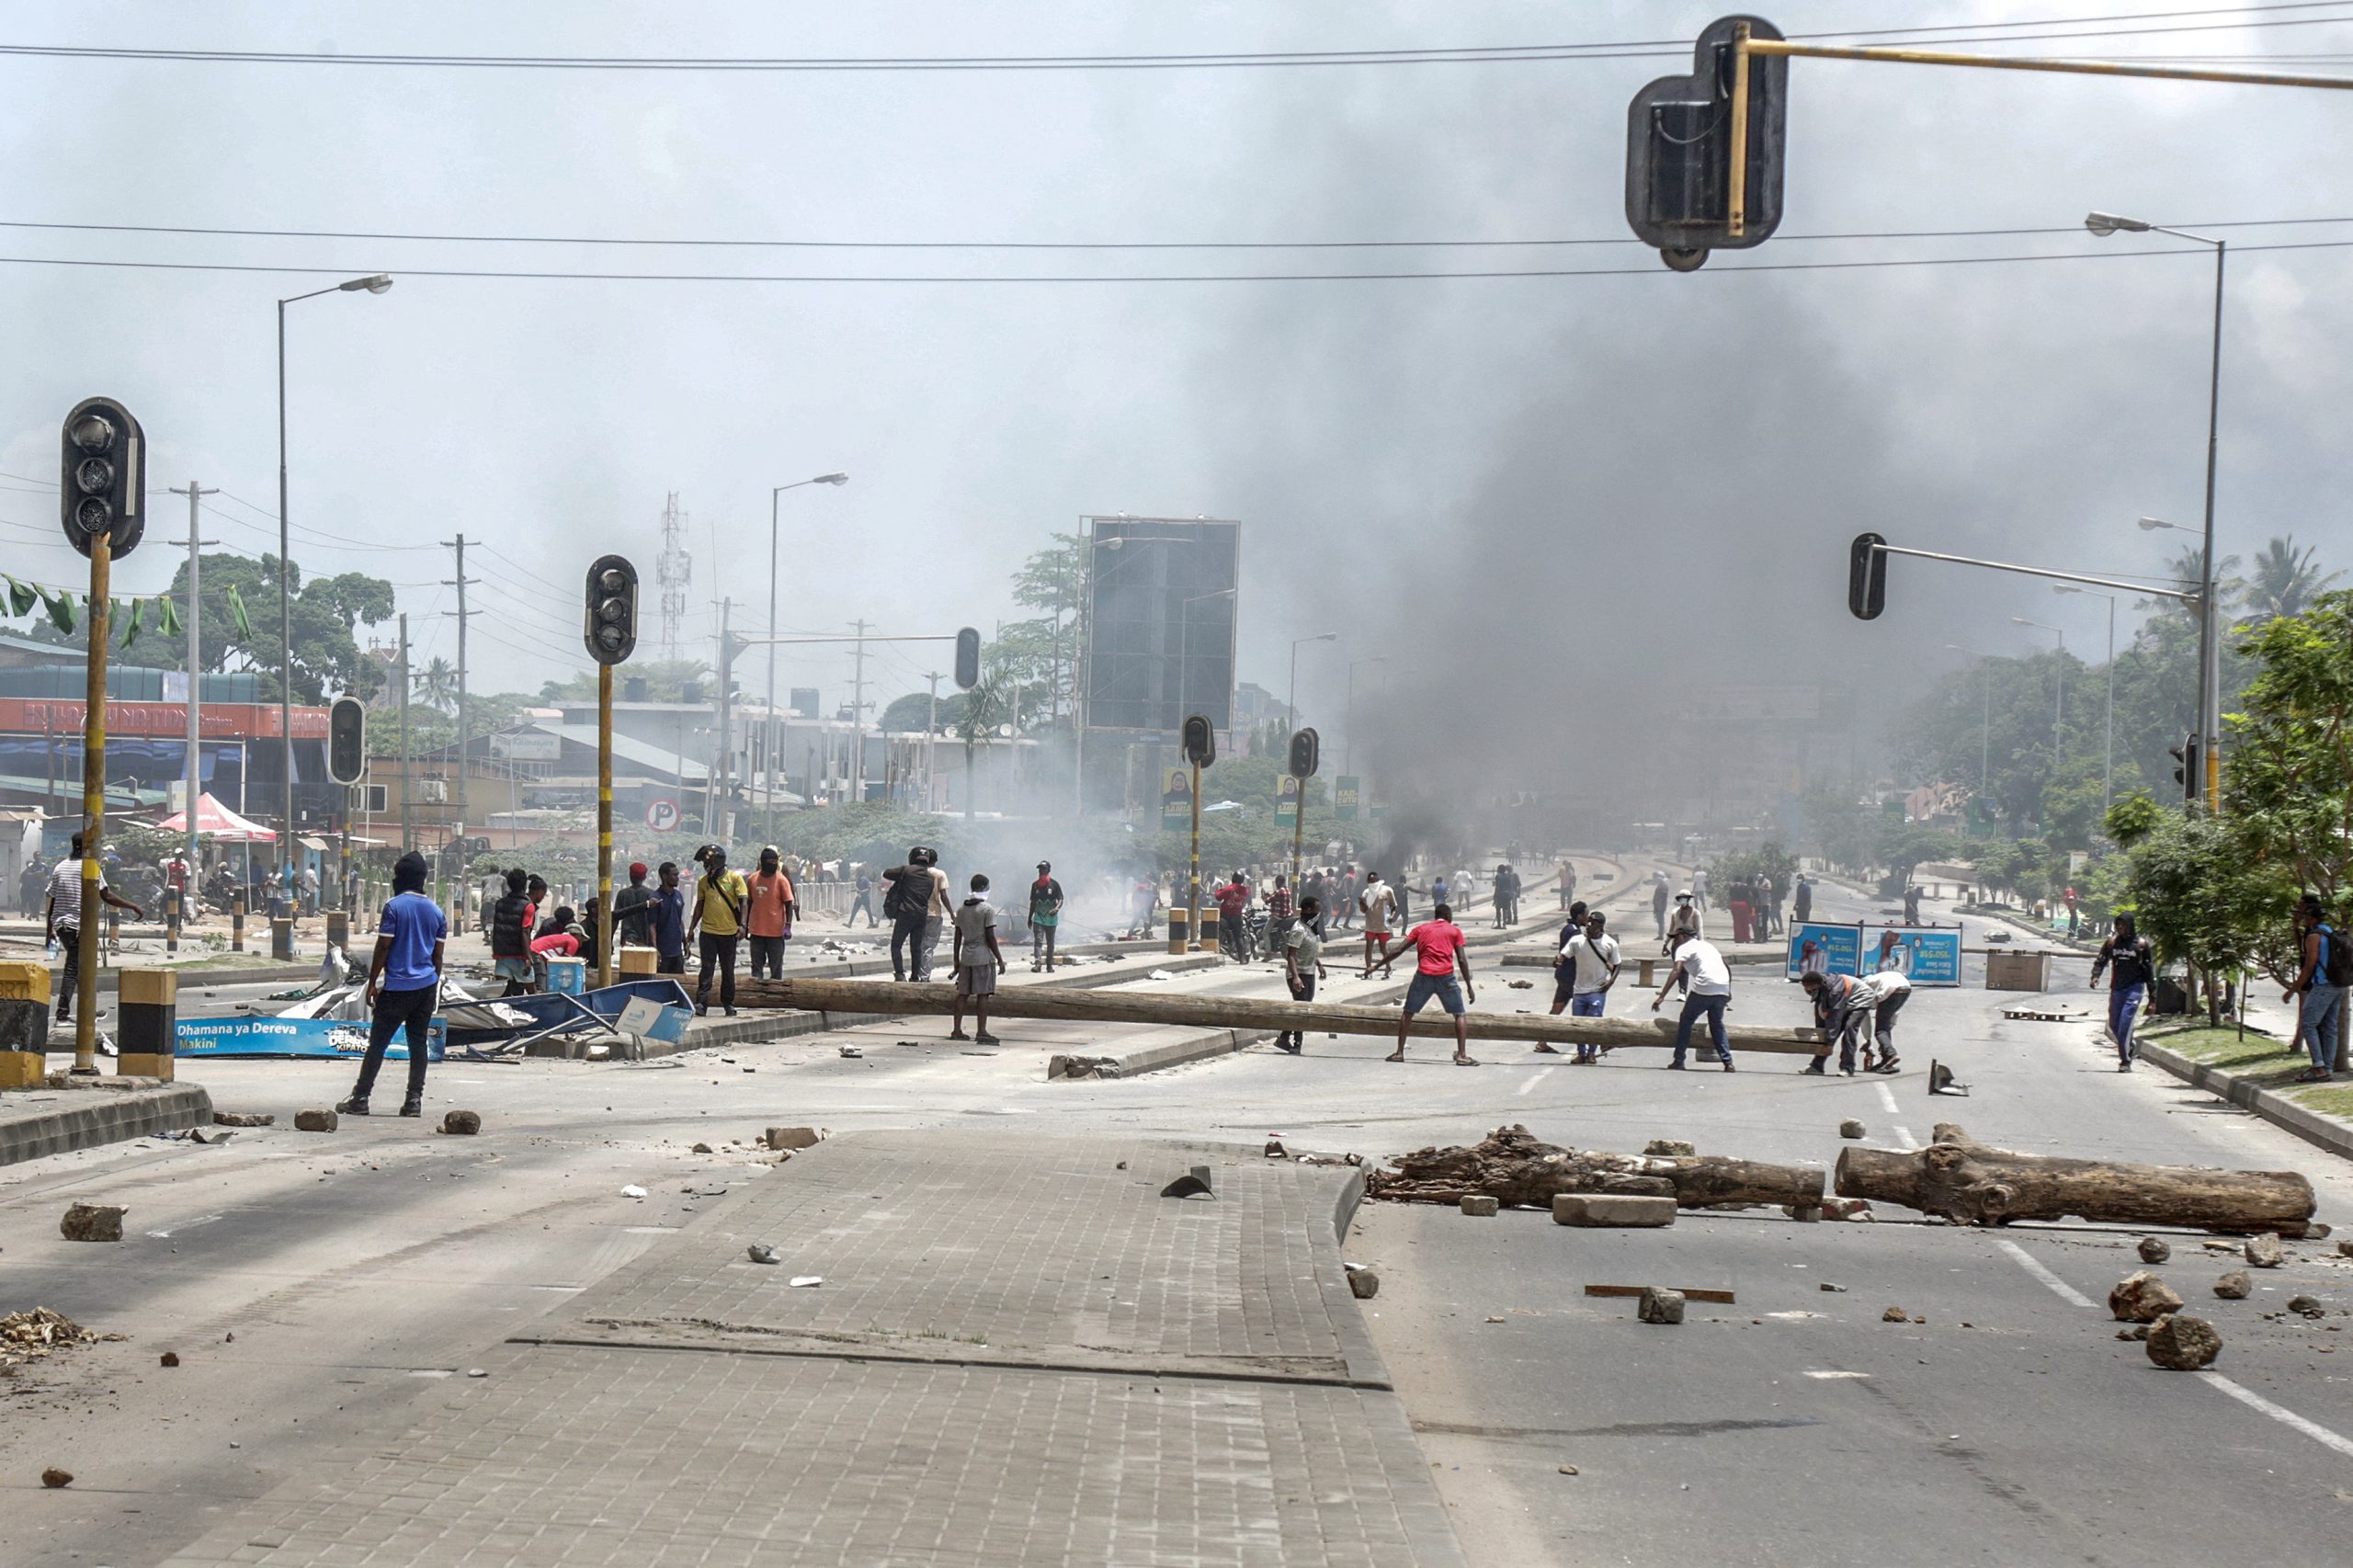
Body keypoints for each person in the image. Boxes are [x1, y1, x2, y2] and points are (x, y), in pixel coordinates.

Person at [335, 850, 447, 1118]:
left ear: (399, 879)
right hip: (426, 986)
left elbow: (384, 946)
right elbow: (438, 956)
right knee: (418, 1044)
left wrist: (372, 982)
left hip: (398, 987)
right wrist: (433, 986)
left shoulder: (394, 907)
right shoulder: (437, 912)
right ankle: (413, 1101)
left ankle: (360, 1098)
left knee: (378, 1043)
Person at [45, 834, 144, 1025]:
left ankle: (87, 1010)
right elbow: (106, 896)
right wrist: (132, 906)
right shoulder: (89, 867)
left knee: (82, 968)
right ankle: (62, 1015)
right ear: (85, 847)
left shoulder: (60, 867)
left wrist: (49, 932)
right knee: (73, 969)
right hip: (76, 926)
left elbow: (52, 900)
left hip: (62, 925)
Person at [1383, 902, 1478, 1066]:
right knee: (1459, 1014)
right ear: (1448, 917)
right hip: (1446, 976)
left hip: (1424, 975)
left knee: (1408, 1013)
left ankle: (1399, 1053)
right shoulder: (1455, 931)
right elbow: (1462, 959)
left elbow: (1398, 950)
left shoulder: (1421, 929)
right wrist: (1469, 986)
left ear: (1436, 916)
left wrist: (1375, 966)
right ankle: (1462, 1055)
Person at [1652, 927, 1735, 1072]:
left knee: (1686, 1020)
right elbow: (1725, 966)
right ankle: (1728, 1063)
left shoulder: (1683, 948)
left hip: (1705, 986)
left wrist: (1661, 996)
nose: (1674, 942)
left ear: (1684, 936)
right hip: (1722, 986)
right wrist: (1728, 989)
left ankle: (1679, 1060)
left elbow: (1677, 971)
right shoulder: (1707, 945)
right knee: (1717, 1024)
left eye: (1676, 938)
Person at [2284, 893, 2345, 1083]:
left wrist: (2293, 989)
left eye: (2304, 917)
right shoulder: (2329, 931)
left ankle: (2318, 1067)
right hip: (2337, 985)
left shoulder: (2314, 937)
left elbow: (2309, 966)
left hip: (2323, 985)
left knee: (2308, 1024)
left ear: (2310, 918)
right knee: (2329, 1027)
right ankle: (2327, 1069)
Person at [2090, 913, 2156, 1072]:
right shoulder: (2112, 943)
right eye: (2117, 924)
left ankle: (2125, 1061)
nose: (2120, 928)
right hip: (2117, 988)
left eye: (2123, 924)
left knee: (2125, 1023)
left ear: (2130, 925)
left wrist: (2153, 997)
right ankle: (2129, 1045)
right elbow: (2101, 960)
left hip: (2134, 988)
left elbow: (2149, 971)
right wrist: (2095, 976)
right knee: (2114, 1024)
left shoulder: (2141, 945)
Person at [688, 845, 748, 1017]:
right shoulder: (703, 882)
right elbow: (699, 906)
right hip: (708, 932)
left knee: (728, 970)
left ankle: (728, 1003)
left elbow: (744, 903)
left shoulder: (735, 879)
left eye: (709, 864)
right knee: (706, 969)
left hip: (729, 933)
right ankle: (701, 1003)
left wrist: (742, 925)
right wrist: (691, 929)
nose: (707, 868)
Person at [1559, 909, 1622, 1064]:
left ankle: (1592, 1053)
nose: (1588, 925)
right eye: (1588, 922)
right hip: (1579, 990)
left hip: (1597, 990)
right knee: (1578, 1024)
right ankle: (1581, 1053)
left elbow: (1618, 964)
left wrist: (1610, 982)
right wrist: (1558, 961)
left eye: (1592, 923)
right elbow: (1564, 955)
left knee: (1595, 1023)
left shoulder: (1609, 943)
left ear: (1600, 926)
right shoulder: (1577, 941)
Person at [949, 872, 1006, 1044]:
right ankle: (981, 1031)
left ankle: (957, 1030)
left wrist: (956, 961)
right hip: (982, 957)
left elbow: (957, 938)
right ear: (983, 888)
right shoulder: (987, 909)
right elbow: (990, 937)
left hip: (966, 957)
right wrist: (1000, 959)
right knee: (983, 995)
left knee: (963, 994)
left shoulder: (961, 910)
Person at [1276, 894, 1328, 1054]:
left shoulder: (1310, 929)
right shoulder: (1298, 930)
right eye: (1316, 911)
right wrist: (1296, 977)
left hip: (1309, 972)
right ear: (1307, 910)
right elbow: (1291, 955)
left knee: (1304, 1008)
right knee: (1301, 1009)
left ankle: (1284, 1037)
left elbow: (1310, 950)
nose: (1318, 914)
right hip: (1298, 974)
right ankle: (1297, 1044)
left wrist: (1319, 964)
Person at [882, 847, 939, 982]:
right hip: (921, 915)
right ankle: (915, 976)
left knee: (896, 945)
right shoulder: (931, 879)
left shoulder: (906, 870)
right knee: (916, 948)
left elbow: (887, 873)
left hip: (905, 913)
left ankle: (900, 974)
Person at [745, 846, 797, 981]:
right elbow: (749, 903)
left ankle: (776, 997)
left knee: (776, 967)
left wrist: (788, 926)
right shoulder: (752, 879)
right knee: (756, 968)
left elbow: (788, 903)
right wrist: (745, 925)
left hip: (776, 933)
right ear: (762, 863)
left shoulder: (781, 880)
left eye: (775, 863)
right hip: (757, 931)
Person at [488, 867, 537, 997]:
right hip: (519, 955)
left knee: (503, 993)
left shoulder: (500, 903)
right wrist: (527, 957)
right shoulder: (528, 906)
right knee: (532, 990)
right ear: (525, 885)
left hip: (501, 953)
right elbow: (525, 931)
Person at [1028, 860, 1065, 972]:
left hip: (1051, 918)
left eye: (1043, 869)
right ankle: (1038, 964)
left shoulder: (1054, 884)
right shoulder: (1035, 886)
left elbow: (1061, 899)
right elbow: (1033, 902)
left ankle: (1049, 965)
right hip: (1038, 917)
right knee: (1038, 941)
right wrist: (1030, 917)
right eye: (1039, 869)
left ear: (1048, 870)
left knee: (1050, 943)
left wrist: (1056, 908)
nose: (1041, 871)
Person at [650, 861, 688, 974]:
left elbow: (679, 920)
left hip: (677, 952)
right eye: (674, 875)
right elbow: (652, 925)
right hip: (663, 953)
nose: (677, 878)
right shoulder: (655, 898)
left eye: (677, 874)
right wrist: (655, 950)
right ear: (665, 876)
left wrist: (685, 942)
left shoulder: (678, 895)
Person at [1358, 871, 1397, 978]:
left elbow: (1394, 906)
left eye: (1374, 880)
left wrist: (1392, 916)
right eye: (1370, 881)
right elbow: (1364, 910)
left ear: (1378, 880)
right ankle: (1368, 971)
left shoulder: (1387, 890)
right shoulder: (1366, 892)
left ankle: (1388, 969)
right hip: (1370, 924)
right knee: (1368, 948)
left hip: (1383, 925)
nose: (1373, 883)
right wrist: (1362, 903)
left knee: (1383, 948)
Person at [612, 862, 657, 951]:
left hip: (628, 938)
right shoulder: (651, 894)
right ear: (644, 877)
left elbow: (615, 918)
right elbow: (654, 921)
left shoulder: (622, 894)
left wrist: (610, 940)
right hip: (646, 939)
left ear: (630, 876)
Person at [1212, 872, 1253, 962]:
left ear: (1233, 878)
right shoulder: (1245, 890)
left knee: (1216, 929)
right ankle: (1242, 959)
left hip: (1225, 915)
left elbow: (1218, 897)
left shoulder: (1230, 888)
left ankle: (1221, 947)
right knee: (1239, 937)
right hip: (1237, 916)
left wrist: (1218, 890)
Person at [1265, 873, 1295, 959]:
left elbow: (1268, 901)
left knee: (1265, 932)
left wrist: (1265, 897)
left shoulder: (1279, 891)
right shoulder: (1287, 890)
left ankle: (1268, 953)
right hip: (1288, 915)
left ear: (1278, 882)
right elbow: (1277, 899)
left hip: (1278, 916)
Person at [1665, 890, 1701, 955]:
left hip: (1690, 937)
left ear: (1688, 899)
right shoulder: (1675, 912)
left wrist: (1701, 944)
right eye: (1681, 898)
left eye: (1685, 898)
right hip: (1677, 937)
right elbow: (1671, 929)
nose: (1682, 899)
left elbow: (1699, 929)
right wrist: (1666, 944)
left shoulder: (1695, 912)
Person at [1729, 879, 1754, 945]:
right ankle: (1746, 938)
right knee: (1745, 922)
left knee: (1737, 922)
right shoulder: (1745, 887)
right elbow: (1750, 896)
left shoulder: (1732, 887)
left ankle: (1739, 939)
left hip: (1735, 904)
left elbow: (1731, 897)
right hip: (1744, 904)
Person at [1651, 872, 1671, 939]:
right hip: (1658, 905)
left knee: (1661, 921)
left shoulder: (1664, 886)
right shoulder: (1660, 885)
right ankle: (1660, 934)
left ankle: (1661, 935)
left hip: (1660, 906)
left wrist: (1661, 906)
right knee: (1659, 921)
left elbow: (1664, 897)